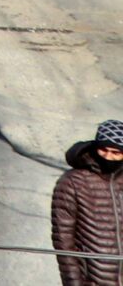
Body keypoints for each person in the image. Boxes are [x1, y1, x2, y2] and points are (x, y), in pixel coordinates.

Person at [54, 120, 123, 286]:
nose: (108, 157)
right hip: (94, 280)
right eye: (103, 150)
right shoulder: (73, 182)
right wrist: (74, 282)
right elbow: (63, 240)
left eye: (116, 152)